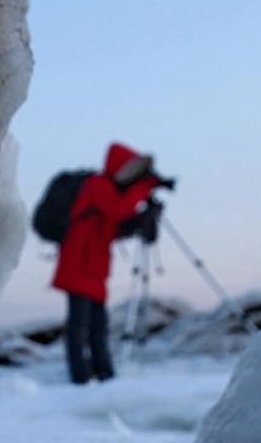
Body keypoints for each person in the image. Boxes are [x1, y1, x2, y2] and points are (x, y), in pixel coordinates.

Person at [51, 142, 175, 384]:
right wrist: (145, 186)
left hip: (94, 268)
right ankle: (80, 378)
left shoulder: (111, 191)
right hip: (79, 264)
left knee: (98, 326)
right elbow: (118, 210)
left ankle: (104, 373)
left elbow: (116, 226)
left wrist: (144, 219)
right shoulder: (98, 185)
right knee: (79, 326)